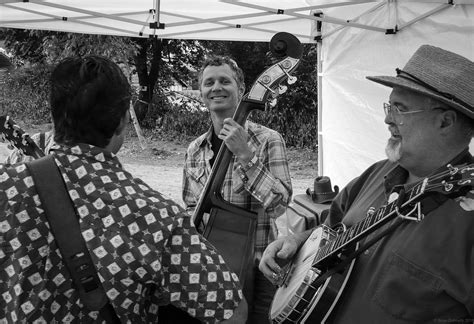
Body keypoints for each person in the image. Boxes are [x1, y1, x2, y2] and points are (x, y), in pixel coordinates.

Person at [0, 55, 247, 323]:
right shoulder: (155, 215)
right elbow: (232, 312)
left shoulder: (6, 187)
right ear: (122, 120)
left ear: (54, 115)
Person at [259, 44, 474, 323]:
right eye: (389, 105)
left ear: (444, 122)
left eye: (400, 109)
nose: (387, 118)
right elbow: (330, 227)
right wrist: (295, 241)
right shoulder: (376, 173)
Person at [182, 55, 293, 323]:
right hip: (212, 270)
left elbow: (280, 204)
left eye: (224, 81)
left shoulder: (268, 140)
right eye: (209, 82)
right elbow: (189, 207)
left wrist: (245, 154)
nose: (216, 87)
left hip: (260, 268)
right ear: (201, 94)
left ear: (242, 90)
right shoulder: (194, 149)